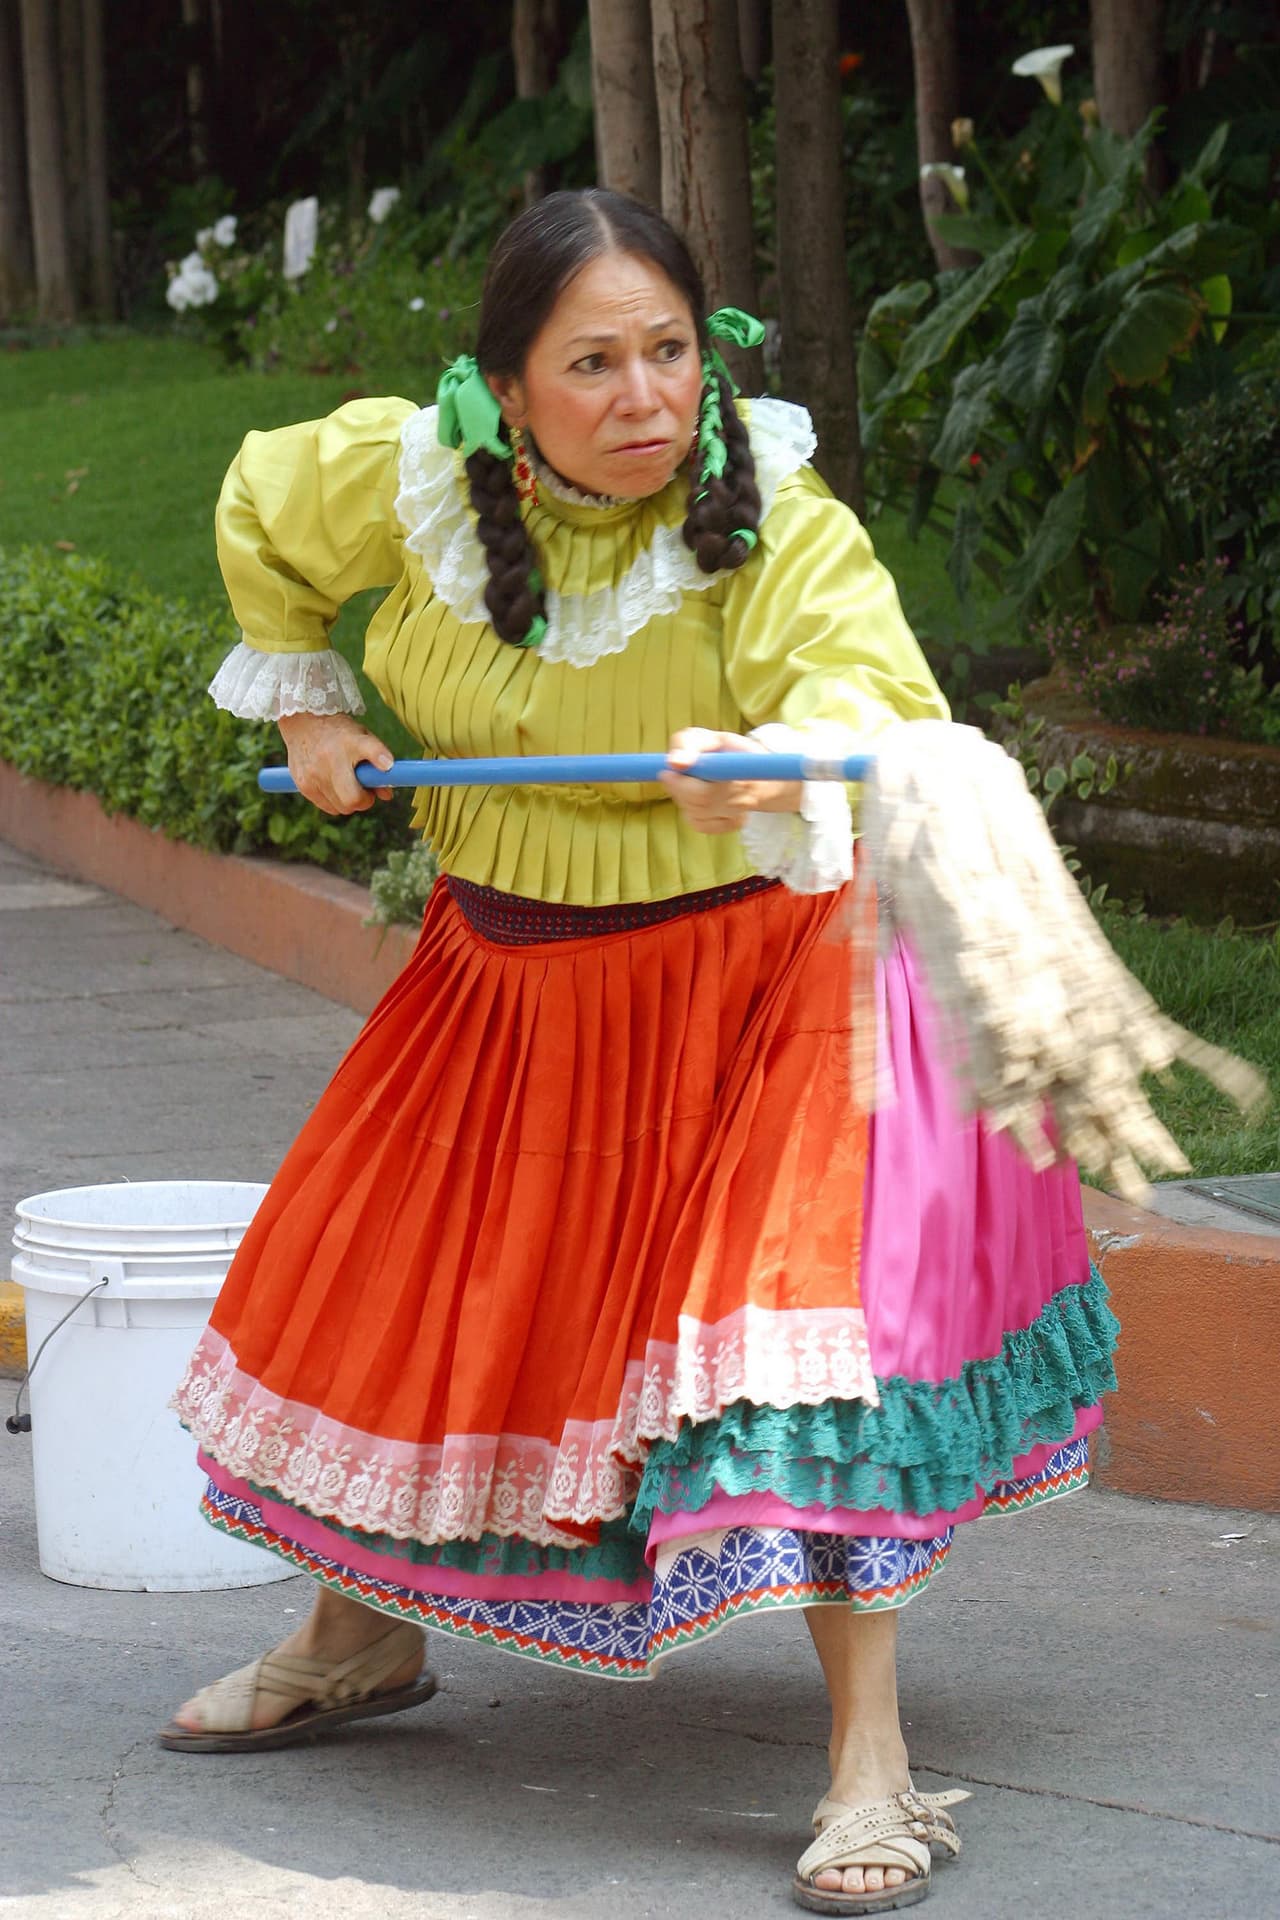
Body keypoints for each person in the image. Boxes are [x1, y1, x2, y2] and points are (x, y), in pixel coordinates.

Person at [164, 189, 1116, 1916]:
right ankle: (359, 1640)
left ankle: (871, 1760)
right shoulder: (411, 474)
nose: (645, 397)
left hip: (762, 978)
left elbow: (879, 708)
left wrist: (780, 761)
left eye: (670, 350)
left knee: (797, 1362)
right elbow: (262, 507)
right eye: (592, 363)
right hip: (508, 974)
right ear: (504, 390)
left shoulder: (772, 513)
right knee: (413, 1302)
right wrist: (308, 698)